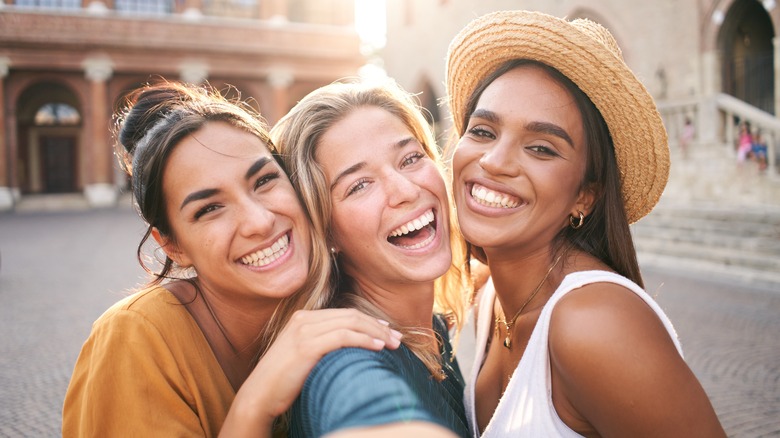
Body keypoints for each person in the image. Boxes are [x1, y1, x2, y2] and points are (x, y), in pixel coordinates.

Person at [62, 81, 402, 437]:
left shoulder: (335, 296)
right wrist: (255, 403)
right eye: (210, 208)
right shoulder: (134, 339)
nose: (259, 221)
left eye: (264, 180)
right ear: (172, 245)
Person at [445, 11, 726, 437]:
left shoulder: (593, 323)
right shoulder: (491, 295)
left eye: (541, 148)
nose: (494, 161)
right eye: (483, 131)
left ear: (585, 195)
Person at [262, 78, 470, 437]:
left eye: (410, 158)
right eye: (359, 185)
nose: (405, 190)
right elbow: (363, 403)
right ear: (325, 232)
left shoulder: (432, 327)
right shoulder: (344, 357)